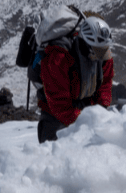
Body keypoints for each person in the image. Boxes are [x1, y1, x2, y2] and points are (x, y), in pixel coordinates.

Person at [36, 14, 114, 143]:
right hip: (55, 115)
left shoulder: (102, 53)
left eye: (104, 50)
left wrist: (101, 112)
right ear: (86, 43)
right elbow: (59, 103)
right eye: (98, 51)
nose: (102, 56)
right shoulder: (58, 57)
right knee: (53, 157)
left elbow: (105, 83)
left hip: (86, 105)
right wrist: (84, 122)